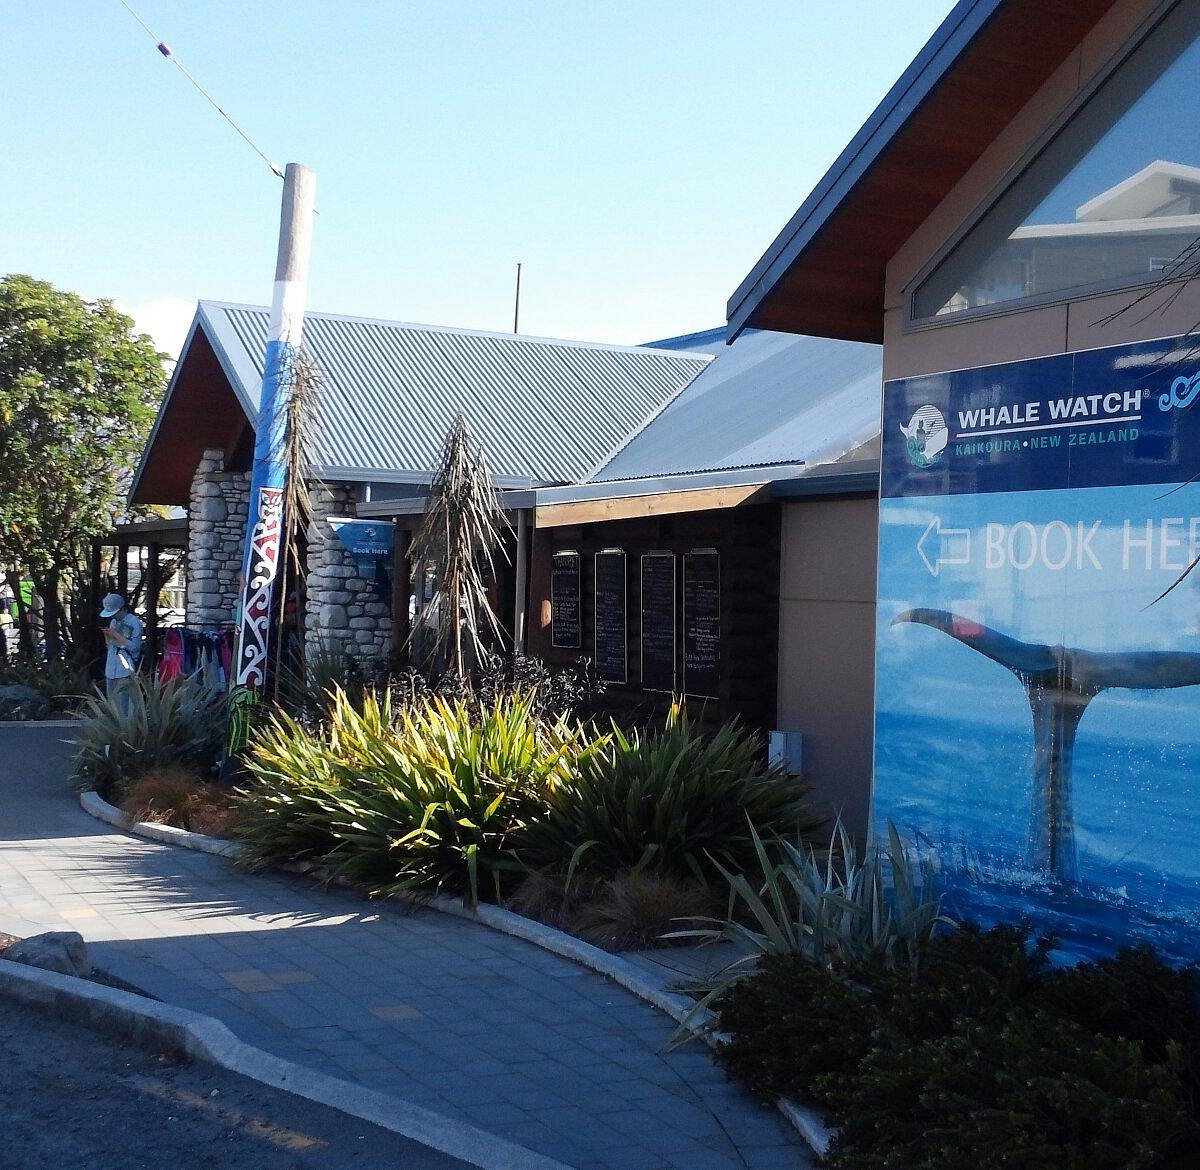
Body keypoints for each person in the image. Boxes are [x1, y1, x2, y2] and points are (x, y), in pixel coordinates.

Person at [101, 593, 143, 715]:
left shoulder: (134, 622)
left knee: (124, 707)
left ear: (122, 609)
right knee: (112, 706)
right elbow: (110, 645)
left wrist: (116, 635)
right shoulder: (113, 622)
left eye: (114, 613)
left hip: (125, 669)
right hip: (111, 668)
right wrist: (107, 636)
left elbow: (135, 647)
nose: (112, 616)